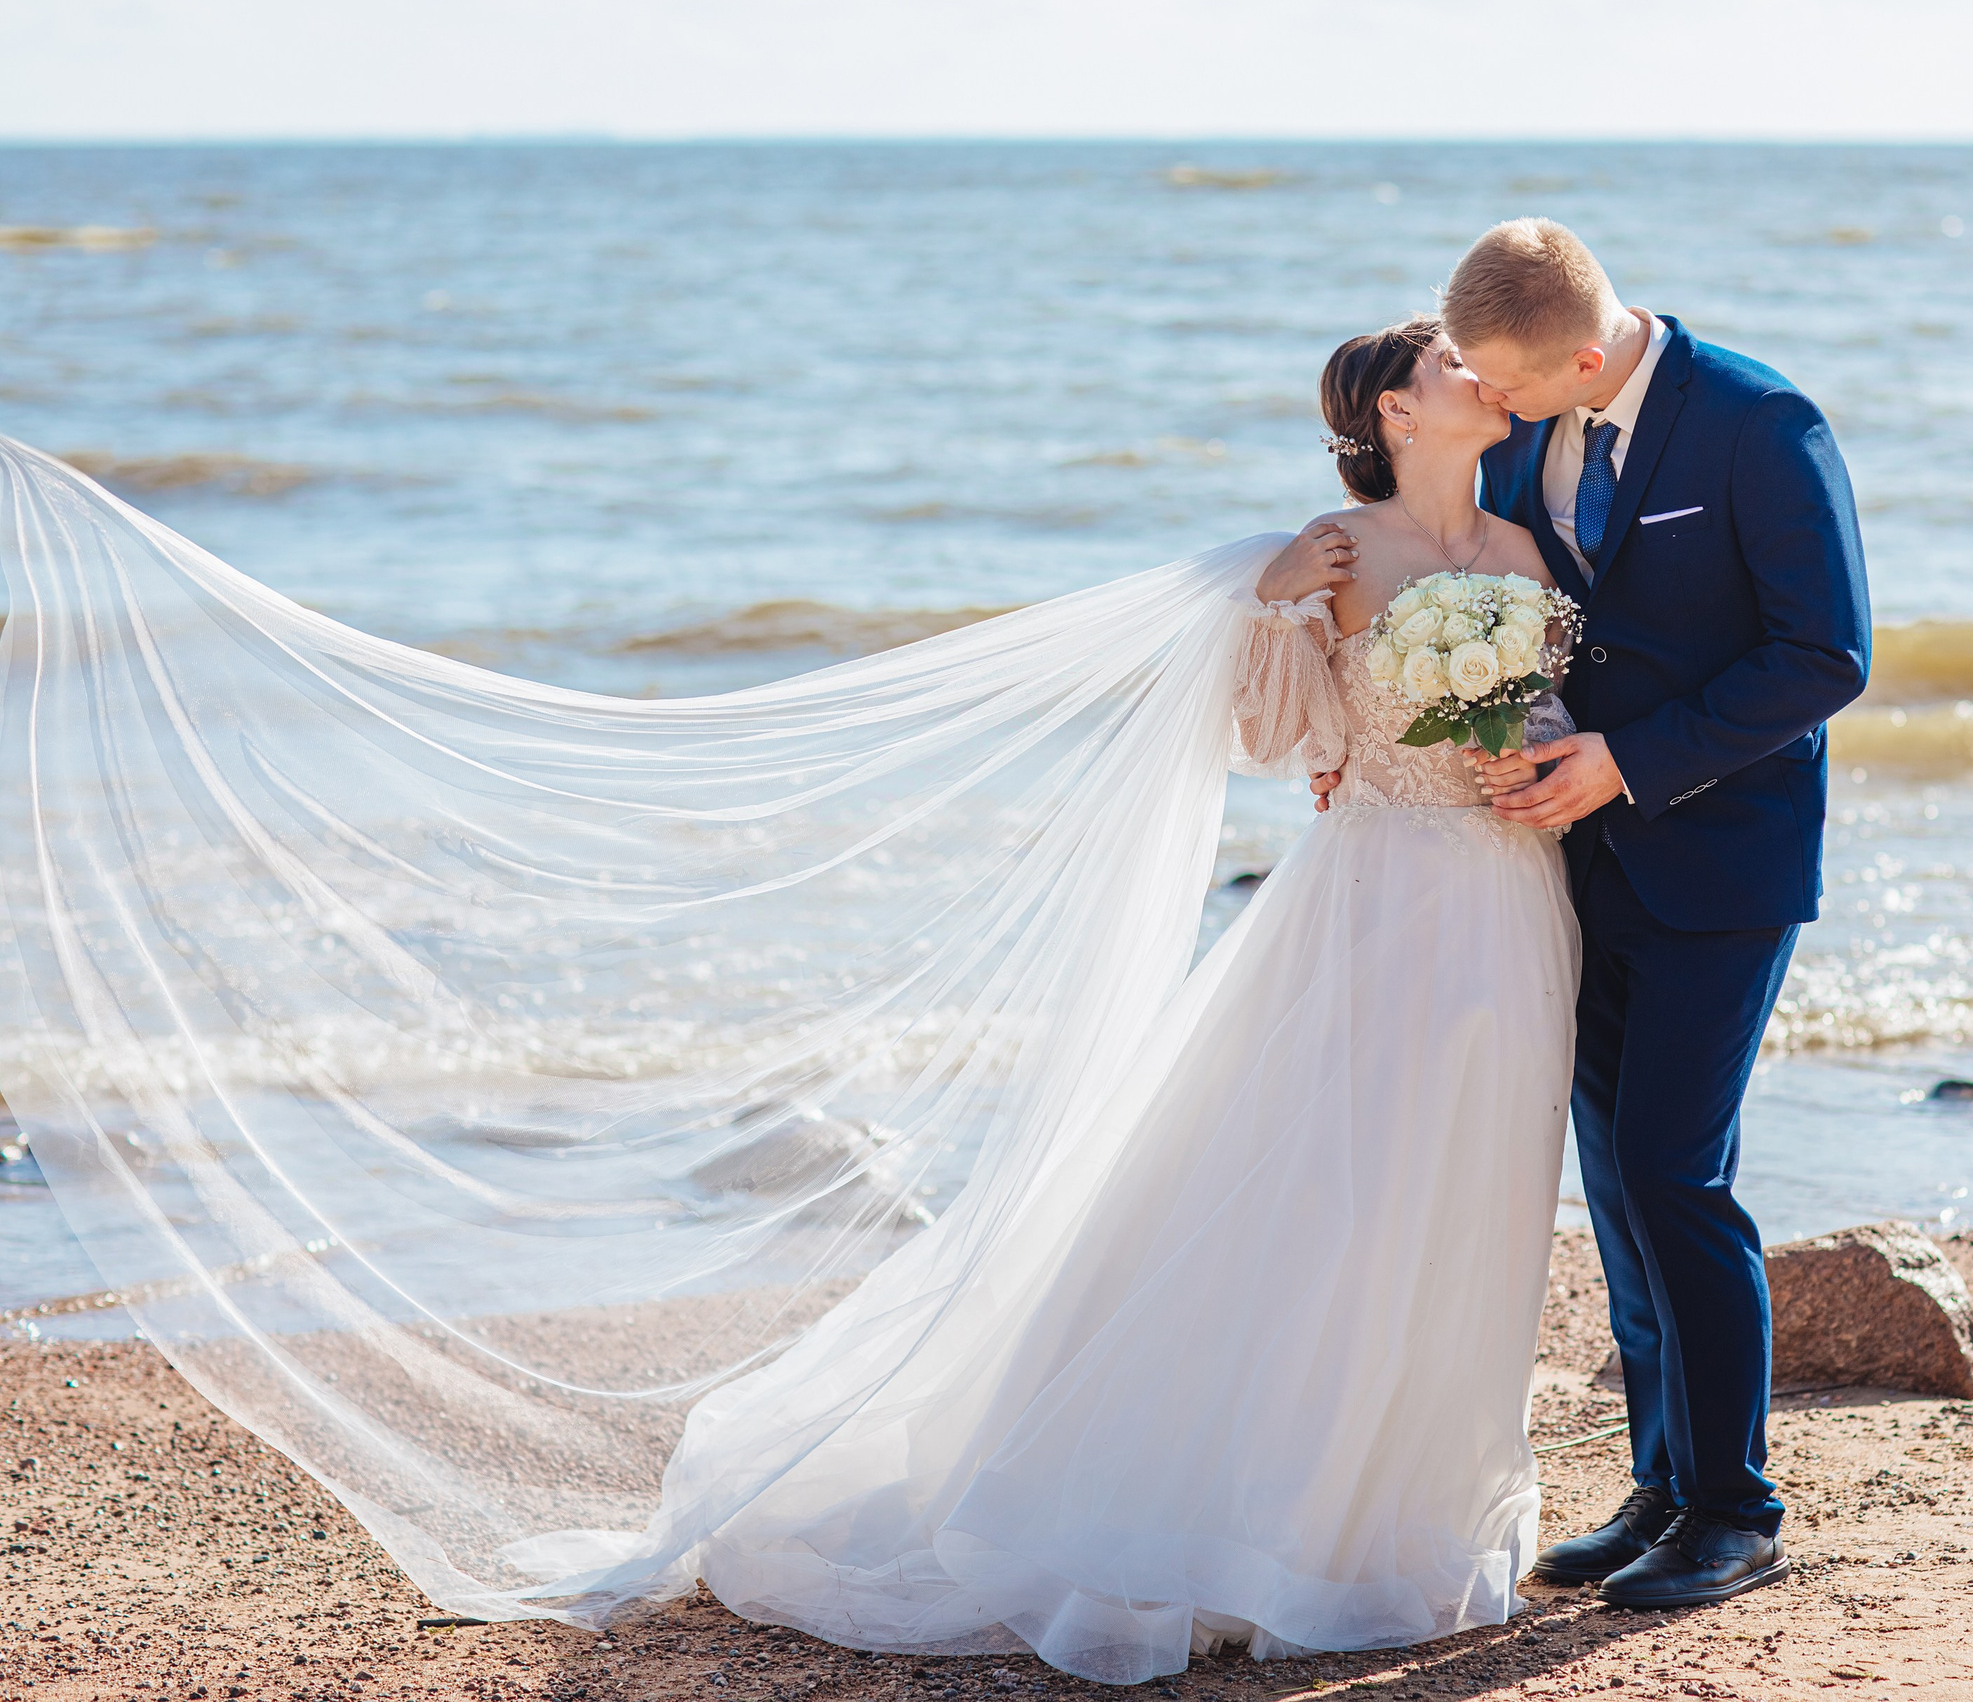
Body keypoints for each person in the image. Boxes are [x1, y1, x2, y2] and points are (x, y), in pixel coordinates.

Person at [0, 315, 1582, 1686]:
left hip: (1503, 901)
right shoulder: (1327, 552)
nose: (1476, 366)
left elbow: (1555, 712)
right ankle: (1276, 1518)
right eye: (1449, 358)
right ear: (1389, 411)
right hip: (1361, 895)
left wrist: (1523, 756)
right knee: (1320, 1189)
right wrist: (1266, 603)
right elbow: (1264, 735)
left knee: (1466, 1190)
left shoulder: (1517, 553)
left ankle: (1408, 1515)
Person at [1318, 218, 1873, 1609]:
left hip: (1721, 865)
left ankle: (1739, 1508)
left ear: (1582, 350)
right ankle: (1662, 1483)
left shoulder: (1759, 423)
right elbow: (1461, 571)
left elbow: (1826, 653)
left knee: (1679, 1171)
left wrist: (1630, 759)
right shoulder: (1521, 429)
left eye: (1508, 387)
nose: (1490, 408)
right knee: (1619, 1185)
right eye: (1477, 388)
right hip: (1561, 867)